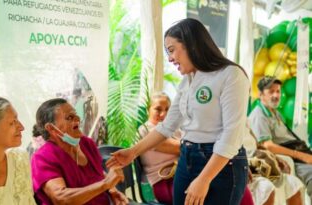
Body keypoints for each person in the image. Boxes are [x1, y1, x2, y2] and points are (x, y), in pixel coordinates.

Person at [106, 18, 250, 205]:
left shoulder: (230, 75)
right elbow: (166, 127)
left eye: (172, 50)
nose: (170, 58)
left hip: (221, 164)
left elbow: (231, 135)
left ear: (191, 44)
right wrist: (132, 152)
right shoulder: (187, 81)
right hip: (187, 157)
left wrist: (204, 179)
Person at [31, 98, 128, 205]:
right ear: (51, 129)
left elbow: (98, 173)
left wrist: (113, 190)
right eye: (69, 117)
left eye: (76, 114)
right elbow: (60, 198)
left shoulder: (87, 144)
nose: (77, 119)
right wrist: (106, 184)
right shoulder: (42, 157)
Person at [249, 75, 312, 203]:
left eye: (278, 91)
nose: (276, 95)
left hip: (299, 152)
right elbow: (267, 145)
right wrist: (301, 156)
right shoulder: (259, 115)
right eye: (271, 91)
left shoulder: (275, 112)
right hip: (292, 159)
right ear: (261, 94)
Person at [138, 92, 181, 205]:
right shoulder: (146, 130)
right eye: (158, 109)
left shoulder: (173, 129)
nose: (163, 114)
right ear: (149, 109)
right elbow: (184, 148)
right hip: (162, 182)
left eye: (167, 109)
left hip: (178, 176)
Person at [243, 123, 303, 205]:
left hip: (254, 159)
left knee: (293, 183)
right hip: (242, 164)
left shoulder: (244, 120)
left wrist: (275, 157)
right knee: (266, 188)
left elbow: (258, 145)